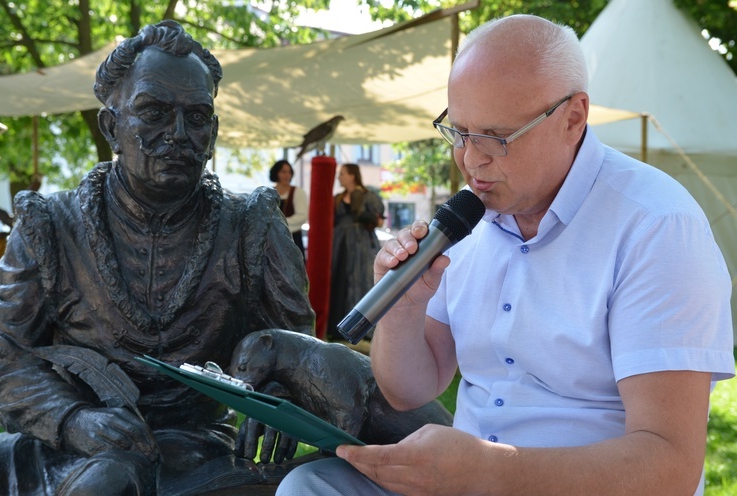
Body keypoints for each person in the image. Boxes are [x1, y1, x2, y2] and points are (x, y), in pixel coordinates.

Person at [277, 14, 735, 496]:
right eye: (458, 131)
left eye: (496, 137)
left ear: (573, 118)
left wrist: (489, 472)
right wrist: (403, 311)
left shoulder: (657, 225)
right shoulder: (469, 216)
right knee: (310, 485)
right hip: (467, 480)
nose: (472, 160)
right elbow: (409, 390)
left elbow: (669, 464)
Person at [0, 20, 316, 495]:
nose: (178, 134)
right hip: (68, 445)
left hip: (197, 447)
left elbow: (294, 348)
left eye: (197, 117)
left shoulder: (253, 226)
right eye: (154, 112)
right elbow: (4, 357)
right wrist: (74, 420)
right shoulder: (49, 227)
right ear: (111, 127)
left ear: (214, 132)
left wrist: (278, 396)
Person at [326, 163, 385, 340]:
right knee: (340, 281)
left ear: (352, 175)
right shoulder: (337, 198)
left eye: (342, 174)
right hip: (340, 245)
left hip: (361, 246)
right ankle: (337, 327)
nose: (339, 177)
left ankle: (360, 328)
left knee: (361, 281)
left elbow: (380, 221)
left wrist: (365, 216)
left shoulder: (368, 196)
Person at [270, 159, 308, 261]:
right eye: (283, 172)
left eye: (289, 172)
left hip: (293, 239)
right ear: (276, 173)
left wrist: (279, 224)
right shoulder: (270, 192)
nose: (287, 175)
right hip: (273, 240)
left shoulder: (297, 192)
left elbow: (302, 216)